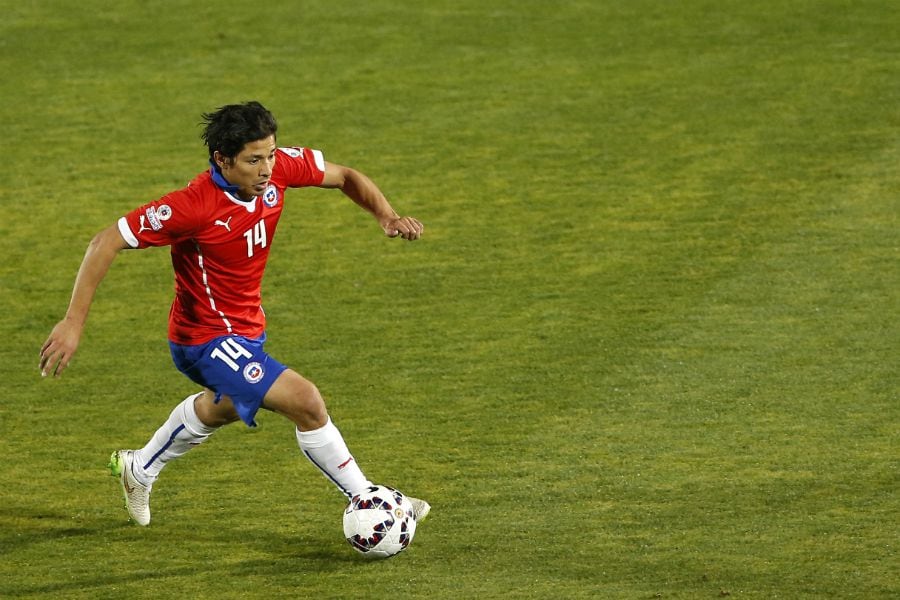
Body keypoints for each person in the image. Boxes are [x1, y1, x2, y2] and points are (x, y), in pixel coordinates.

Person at [39, 101, 429, 528]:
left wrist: (386, 216)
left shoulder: (277, 170)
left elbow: (345, 177)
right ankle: (374, 502)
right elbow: (105, 241)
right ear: (222, 160)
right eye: (253, 160)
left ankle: (141, 467)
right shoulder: (192, 206)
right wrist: (73, 322)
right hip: (203, 339)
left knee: (224, 406)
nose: (266, 169)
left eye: (271, 155)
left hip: (245, 329)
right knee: (306, 402)